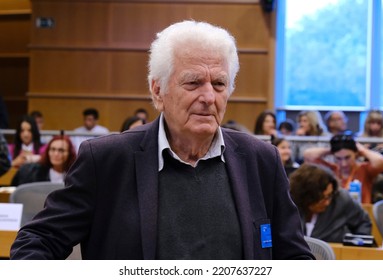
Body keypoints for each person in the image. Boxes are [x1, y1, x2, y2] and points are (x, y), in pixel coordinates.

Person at [11, 20, 314, 260]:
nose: (208, 97)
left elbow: (295, 258)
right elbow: (37, 242)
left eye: (219, 83)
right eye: (193, 82)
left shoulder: (261, 160)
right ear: (158, 92)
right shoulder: (106, 161)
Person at [289, 163, 372, 243]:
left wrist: (355, 249)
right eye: (323, 198)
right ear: (307, 197)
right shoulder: (290, 204)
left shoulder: (341, 199)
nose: (327, 202)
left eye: (329, 196)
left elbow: (363, 222)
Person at [303, 133, 383, 203]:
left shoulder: (364, 169)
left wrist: (362, 150)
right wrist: (331, 150)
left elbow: (381, 162)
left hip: (361, 214)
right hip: (335, 216)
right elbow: (308, 156)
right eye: (338, 158)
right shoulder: (331, 170)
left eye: (347, 157)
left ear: (356, 154)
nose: (343, 164)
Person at [11, 135, 76, 186]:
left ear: (69, 154)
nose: (56, 154)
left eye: (61, 150)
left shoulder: (75, 176)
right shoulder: (33, 173)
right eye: (53, 149)